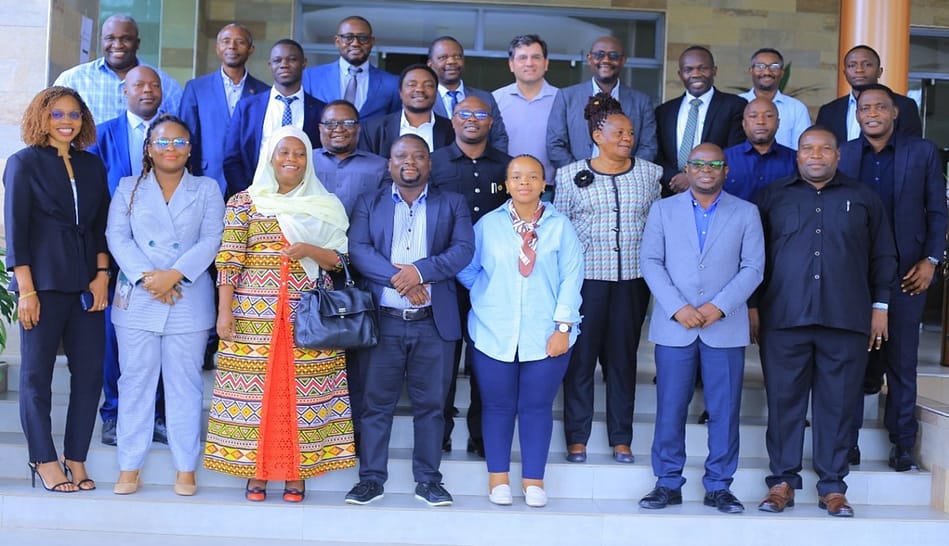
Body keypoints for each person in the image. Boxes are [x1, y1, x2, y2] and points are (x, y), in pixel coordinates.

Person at [204, 125, 356, 502]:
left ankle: (295, 473)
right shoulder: (245, 202)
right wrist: (224, 312)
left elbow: (341, 261)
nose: (292, 160)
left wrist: (309, 250)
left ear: (309, 161)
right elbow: (228, 260)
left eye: (300, 153)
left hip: (310, 316)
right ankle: (256, 471)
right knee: (258, 396)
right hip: (253, 317)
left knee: (301, 398)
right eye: (284, 152)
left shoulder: (325, 204)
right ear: (270, 158)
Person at [755, 126, 897, 518]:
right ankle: (782, 482)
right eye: (808, 148)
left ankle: (833, 486)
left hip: (846, 317)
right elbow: (753, 255)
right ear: (797, 154)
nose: (816, 155)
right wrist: (752, 307)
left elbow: (883, 255)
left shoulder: (864, 197)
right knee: (784, 402)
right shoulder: (772, 197)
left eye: (824, 149)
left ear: (838, 155)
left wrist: (880, 307)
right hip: (784, 317)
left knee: (838, 404)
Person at [345, 134, 474, 507]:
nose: (410, 162)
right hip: (382, 322)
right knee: (375, 405)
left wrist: (419, 272)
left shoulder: (453, 202)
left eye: (418, 156)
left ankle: (429, 481)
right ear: (389, 164)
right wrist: (401, 280)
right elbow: (358, 250)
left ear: (429, 163)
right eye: (401, 155)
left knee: (432, 406)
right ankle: (371, 479)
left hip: (433, 322)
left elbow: (463, 249)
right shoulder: (369, 202)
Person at [638, 144, 764, 514]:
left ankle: (720, 486)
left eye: (714, 164)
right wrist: (678, 307)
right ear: (687, 169)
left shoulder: (747, 212)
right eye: (698, 164)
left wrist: (718, 307)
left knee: (724, 410)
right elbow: (650, 261)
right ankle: (667, 483)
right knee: (670, 408)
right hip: (675, 325)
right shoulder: (663, 210)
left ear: (726, 170)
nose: (706, 170)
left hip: (723, 326)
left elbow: (753, 267)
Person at [106, 114, 224, 496]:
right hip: (139, 297)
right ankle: (129, 465)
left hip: (187, 297)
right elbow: (117, 237)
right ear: (149, 148)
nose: (170, 148)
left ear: (189, 149)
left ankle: (185, 466)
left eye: (179, 142)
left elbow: (212, 239)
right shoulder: (128, 188)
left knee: (184, 384)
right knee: (135, 381)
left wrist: (174, 275)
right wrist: (149, 278)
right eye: (162, 141)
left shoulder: (206, 189)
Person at [457, 154, 583, 507]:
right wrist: (487, 294)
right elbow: (466, 267)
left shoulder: (561, 227)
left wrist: (563, 326)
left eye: (532, 176)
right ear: (506, 184)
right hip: (493, 331)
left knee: (536, 407)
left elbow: (572, 277)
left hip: (546, 333)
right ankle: (498, 479)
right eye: (516, 177)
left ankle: (533, 481)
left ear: (543, 184)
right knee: (496, 406)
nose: (524, 182)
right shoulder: (488, 225)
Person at [3, 86, 110, 492]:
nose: (67, 122)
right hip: (42, 284)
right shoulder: (23, 163)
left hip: (86, 283)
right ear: (42, 118)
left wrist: (102, 274)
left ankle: (75, 457)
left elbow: (100, 225)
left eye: (74, 114)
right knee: (36, 375)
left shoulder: (92, 165)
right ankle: (44, 458)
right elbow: (16, 229)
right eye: (57, 114)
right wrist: (26, 290)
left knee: (90, 374)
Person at [838, 84, 947, 470]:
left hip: (908, 273)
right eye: (865, 108)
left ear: (895, 112)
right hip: (854, 276)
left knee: (902, 361)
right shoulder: (844, 153)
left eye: (880, 107)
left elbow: (938, 211)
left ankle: (902, 442)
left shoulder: (922, 152)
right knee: (851, 360)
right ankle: (845, 443)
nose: (872, 113)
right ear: (857, 114)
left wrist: (932, 260)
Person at [553, 93, 661, 465]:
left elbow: (656, 228)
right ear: (597, 136)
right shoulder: (569, 175)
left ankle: (621, 438)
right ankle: (577, 438)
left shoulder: (650, 174)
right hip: (586, 281)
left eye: (630, 133)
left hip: (633, 281)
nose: (627, 138)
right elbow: (561, 232)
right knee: (581, 359)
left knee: (622, 359)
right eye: (619, 133)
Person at [88, 65, 169, 447]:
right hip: (116, 258)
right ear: (125, 91)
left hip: (166, 261)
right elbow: (93, 201)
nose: (147, 90)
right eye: (139, 85)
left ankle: (156, 416)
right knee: (115, 341)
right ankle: (114, 413)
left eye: (154, 85)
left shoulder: (175, 134)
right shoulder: (102, 135)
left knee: (161, 339)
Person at [430, 95, 512, 457]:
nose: (472, 119)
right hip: (445, 277)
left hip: (493, 280)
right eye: (465, 113)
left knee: (486, 361)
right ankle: (440, 434)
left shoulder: (507, 166)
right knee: (443, 361)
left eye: (481, 114)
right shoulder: (433, 163)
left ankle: (481, 436)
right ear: (453, 119)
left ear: (491, 122)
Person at [222, 39, 325, 197]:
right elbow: (232, 159)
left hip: (303, 198)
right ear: (270, 65)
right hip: (254, 195)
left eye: (292, 59)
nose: (284, 65)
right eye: (277, 60)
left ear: (304, 63)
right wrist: (248, 196)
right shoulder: (247, 107)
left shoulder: (320, 110)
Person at [179, 23, 271, 195]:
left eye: (240, 42)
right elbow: (186, 137)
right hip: (206, 177)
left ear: (251, 49)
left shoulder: (264, 93)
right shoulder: (196, 88)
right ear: (217, 48)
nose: (232, 46)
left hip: (250, 182)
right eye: (226, 41)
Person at [547, 35, 657, 167]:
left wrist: (626, 173)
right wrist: (581, 173)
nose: (606, 60)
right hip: (577, 177)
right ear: (589, 59)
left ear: (623, 60)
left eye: (613, 56)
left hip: (628, 178)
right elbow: (555, 145)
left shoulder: (641, 102)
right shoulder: (566, 97)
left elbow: (648, 147)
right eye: (599, 55)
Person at [54, 14, 182, 124]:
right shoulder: (72, 80)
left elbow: (180, 131)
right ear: (101, 41)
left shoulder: (166, 85)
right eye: (110, 38)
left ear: (137, 43)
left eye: (126, 39)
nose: (117, 45)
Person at [655, 46, 747, 195]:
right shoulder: (664, 111)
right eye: (688, 69)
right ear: (680, 74)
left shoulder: (734, 106)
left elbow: (734, 152)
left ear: (714, 70)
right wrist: (675, 178)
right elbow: (658, 155)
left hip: (716, 193)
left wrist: (694, 178)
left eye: (702, 68)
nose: (696, 74)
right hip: (672, 192)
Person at [815, 45, 922, 145]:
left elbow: (913, 147)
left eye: (867, 64)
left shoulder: (904, 105)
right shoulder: (828, 111)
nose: (859, 70)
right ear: (845, 73)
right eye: (852, 65)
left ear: (879, 71)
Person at [301, 16, 400, 121]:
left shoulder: (392, 83)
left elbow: (394, 123)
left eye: (363, 38)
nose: (355, 43)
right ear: (337, 41)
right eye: (348, 37)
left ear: (372, 41)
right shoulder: (311, 77)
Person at [493, 34, 559, 185]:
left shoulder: (563, 100)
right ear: (511, 64)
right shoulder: (495, 100)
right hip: (505, 186)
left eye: (536, 57)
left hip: (550, 188)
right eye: (522, 58)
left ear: (546, 63)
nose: (529, 63)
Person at [427, 36, 508, 153]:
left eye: (457, 56)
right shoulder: (424, 101)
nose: (451, 61)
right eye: (443, 57)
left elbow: (498, 138)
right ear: (430, 64)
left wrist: (494, 163)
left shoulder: (485, 98)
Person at [357, 64, 454, 158]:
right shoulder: (373, 129)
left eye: (428, 85)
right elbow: (366, 166)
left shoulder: (453, 129)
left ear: (436, 92)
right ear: (400, 92)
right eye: (412, 85)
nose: (419, 89)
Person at [313, 99, 387, 216]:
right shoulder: (305, 161)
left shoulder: (380, 166)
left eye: (348, 123)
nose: (339, 129)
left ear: (358, 128)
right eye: (330, 124)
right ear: (320, 128)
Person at [722, 98, 797, 202]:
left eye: (768, 116)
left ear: (778, 123)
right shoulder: (725, 158)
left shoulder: (795, 159)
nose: (761, 122)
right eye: (753, 116)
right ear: (744, 124)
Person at [738, 48, 811, 150]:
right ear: (751, 71)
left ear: (782, 72)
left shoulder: (796, 108)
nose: (767, 72)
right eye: (760, 66)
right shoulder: (736, 103)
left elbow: (802, 149)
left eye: (774, 67)